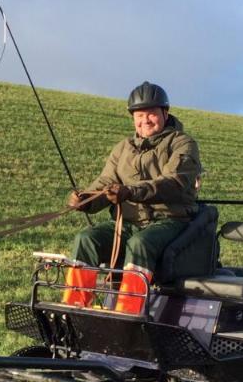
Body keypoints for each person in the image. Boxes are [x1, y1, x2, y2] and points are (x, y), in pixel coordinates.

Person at [63, 81, 202, 313]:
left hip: (169, 221)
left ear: (165, 113)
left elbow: (174, 182)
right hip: (128, 223)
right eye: (139, 115)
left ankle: (127, 312)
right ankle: (73, 308)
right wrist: (85, 199)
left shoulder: (183, 143)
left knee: (140, 244)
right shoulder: (122, 148)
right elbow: (105, 183)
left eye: (151, 114)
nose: (145, 120)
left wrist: (131, 191)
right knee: (86, 238)